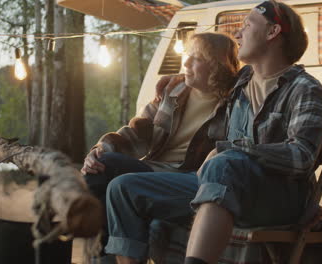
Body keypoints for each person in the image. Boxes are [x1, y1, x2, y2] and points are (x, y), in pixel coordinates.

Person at [104, 1, 322, 264]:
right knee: (122, 188)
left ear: (272, 33)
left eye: (247, 25)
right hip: (222, 187)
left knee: (224, 162)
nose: (237, 34)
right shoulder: (241, 82)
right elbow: (208, 68)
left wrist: (233, 149)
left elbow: (302, 157)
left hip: (275, 197)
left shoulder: (305, 88)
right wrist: (173, 80)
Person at [80, 32, 240, 258]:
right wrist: (98, 151)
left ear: (217, 66)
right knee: (100, 167)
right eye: (188, 56)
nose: (186, 63)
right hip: (152, 168)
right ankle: (103, 258)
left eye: (196, 58)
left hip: (187, 178)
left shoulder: (235, 102)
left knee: (118, 184)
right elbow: (138, 131)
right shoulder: (174, 90)